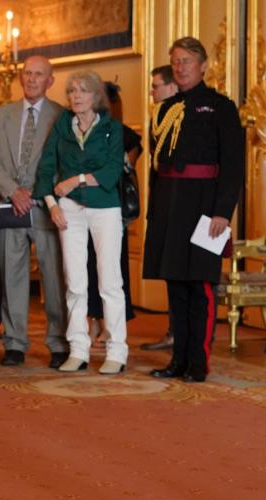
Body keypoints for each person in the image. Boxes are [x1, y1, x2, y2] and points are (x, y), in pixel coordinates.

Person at [144, 37, 243, 383]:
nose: (180, 67)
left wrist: (221, 212)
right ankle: (178, 360)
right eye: (176, 61)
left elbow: (232, 166)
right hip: (171, 204)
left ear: (203, 66)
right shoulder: (165, 109)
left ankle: (198, 363)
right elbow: (158, 167)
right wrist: (155, 211)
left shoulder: (221, 107)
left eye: (187, 61)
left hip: (204, 208)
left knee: (200, 286)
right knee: (176, 285)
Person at [35, 70, 127, 374]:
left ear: (96, 96)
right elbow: (47, 166)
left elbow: (113, 172)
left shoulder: (112, 128)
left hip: (105, 209)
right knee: (74, 281)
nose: (75, 96)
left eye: (82, 91)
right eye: (71, 91)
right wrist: (52, 204)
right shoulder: (63, 125)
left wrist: (76, 180)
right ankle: (78, 349)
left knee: (109, 282)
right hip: (69, 210)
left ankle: (116, 352)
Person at [0, 55, 69, 368]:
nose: (31, 79)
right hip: (8, 205)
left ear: (50, 81)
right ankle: (15, 343)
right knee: (12, 275)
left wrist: (39, 191)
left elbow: (66, 162)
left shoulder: (62, 116)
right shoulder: (0, 115)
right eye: (27, 74)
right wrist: (12, 191)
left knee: (54, 277)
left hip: (47, 207)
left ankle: (58, 342)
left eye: (39, 75)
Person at [85, 81, 142, 340]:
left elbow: (135, 148)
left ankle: (112, 324)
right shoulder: (83, 128)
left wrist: (124, 164)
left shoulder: (119, 131)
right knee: (88, 267)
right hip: (85, 205)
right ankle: (94, 321)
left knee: (113, 268)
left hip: (112, 208)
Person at [140, 65, 179, 352]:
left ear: (172, 87)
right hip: (163, 203)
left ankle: (179, 332)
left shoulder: (180, 115)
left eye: (156, 86)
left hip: (182, 204)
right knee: (169, 271)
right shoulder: (158, 116)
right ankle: (173, 330)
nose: (151, 91)